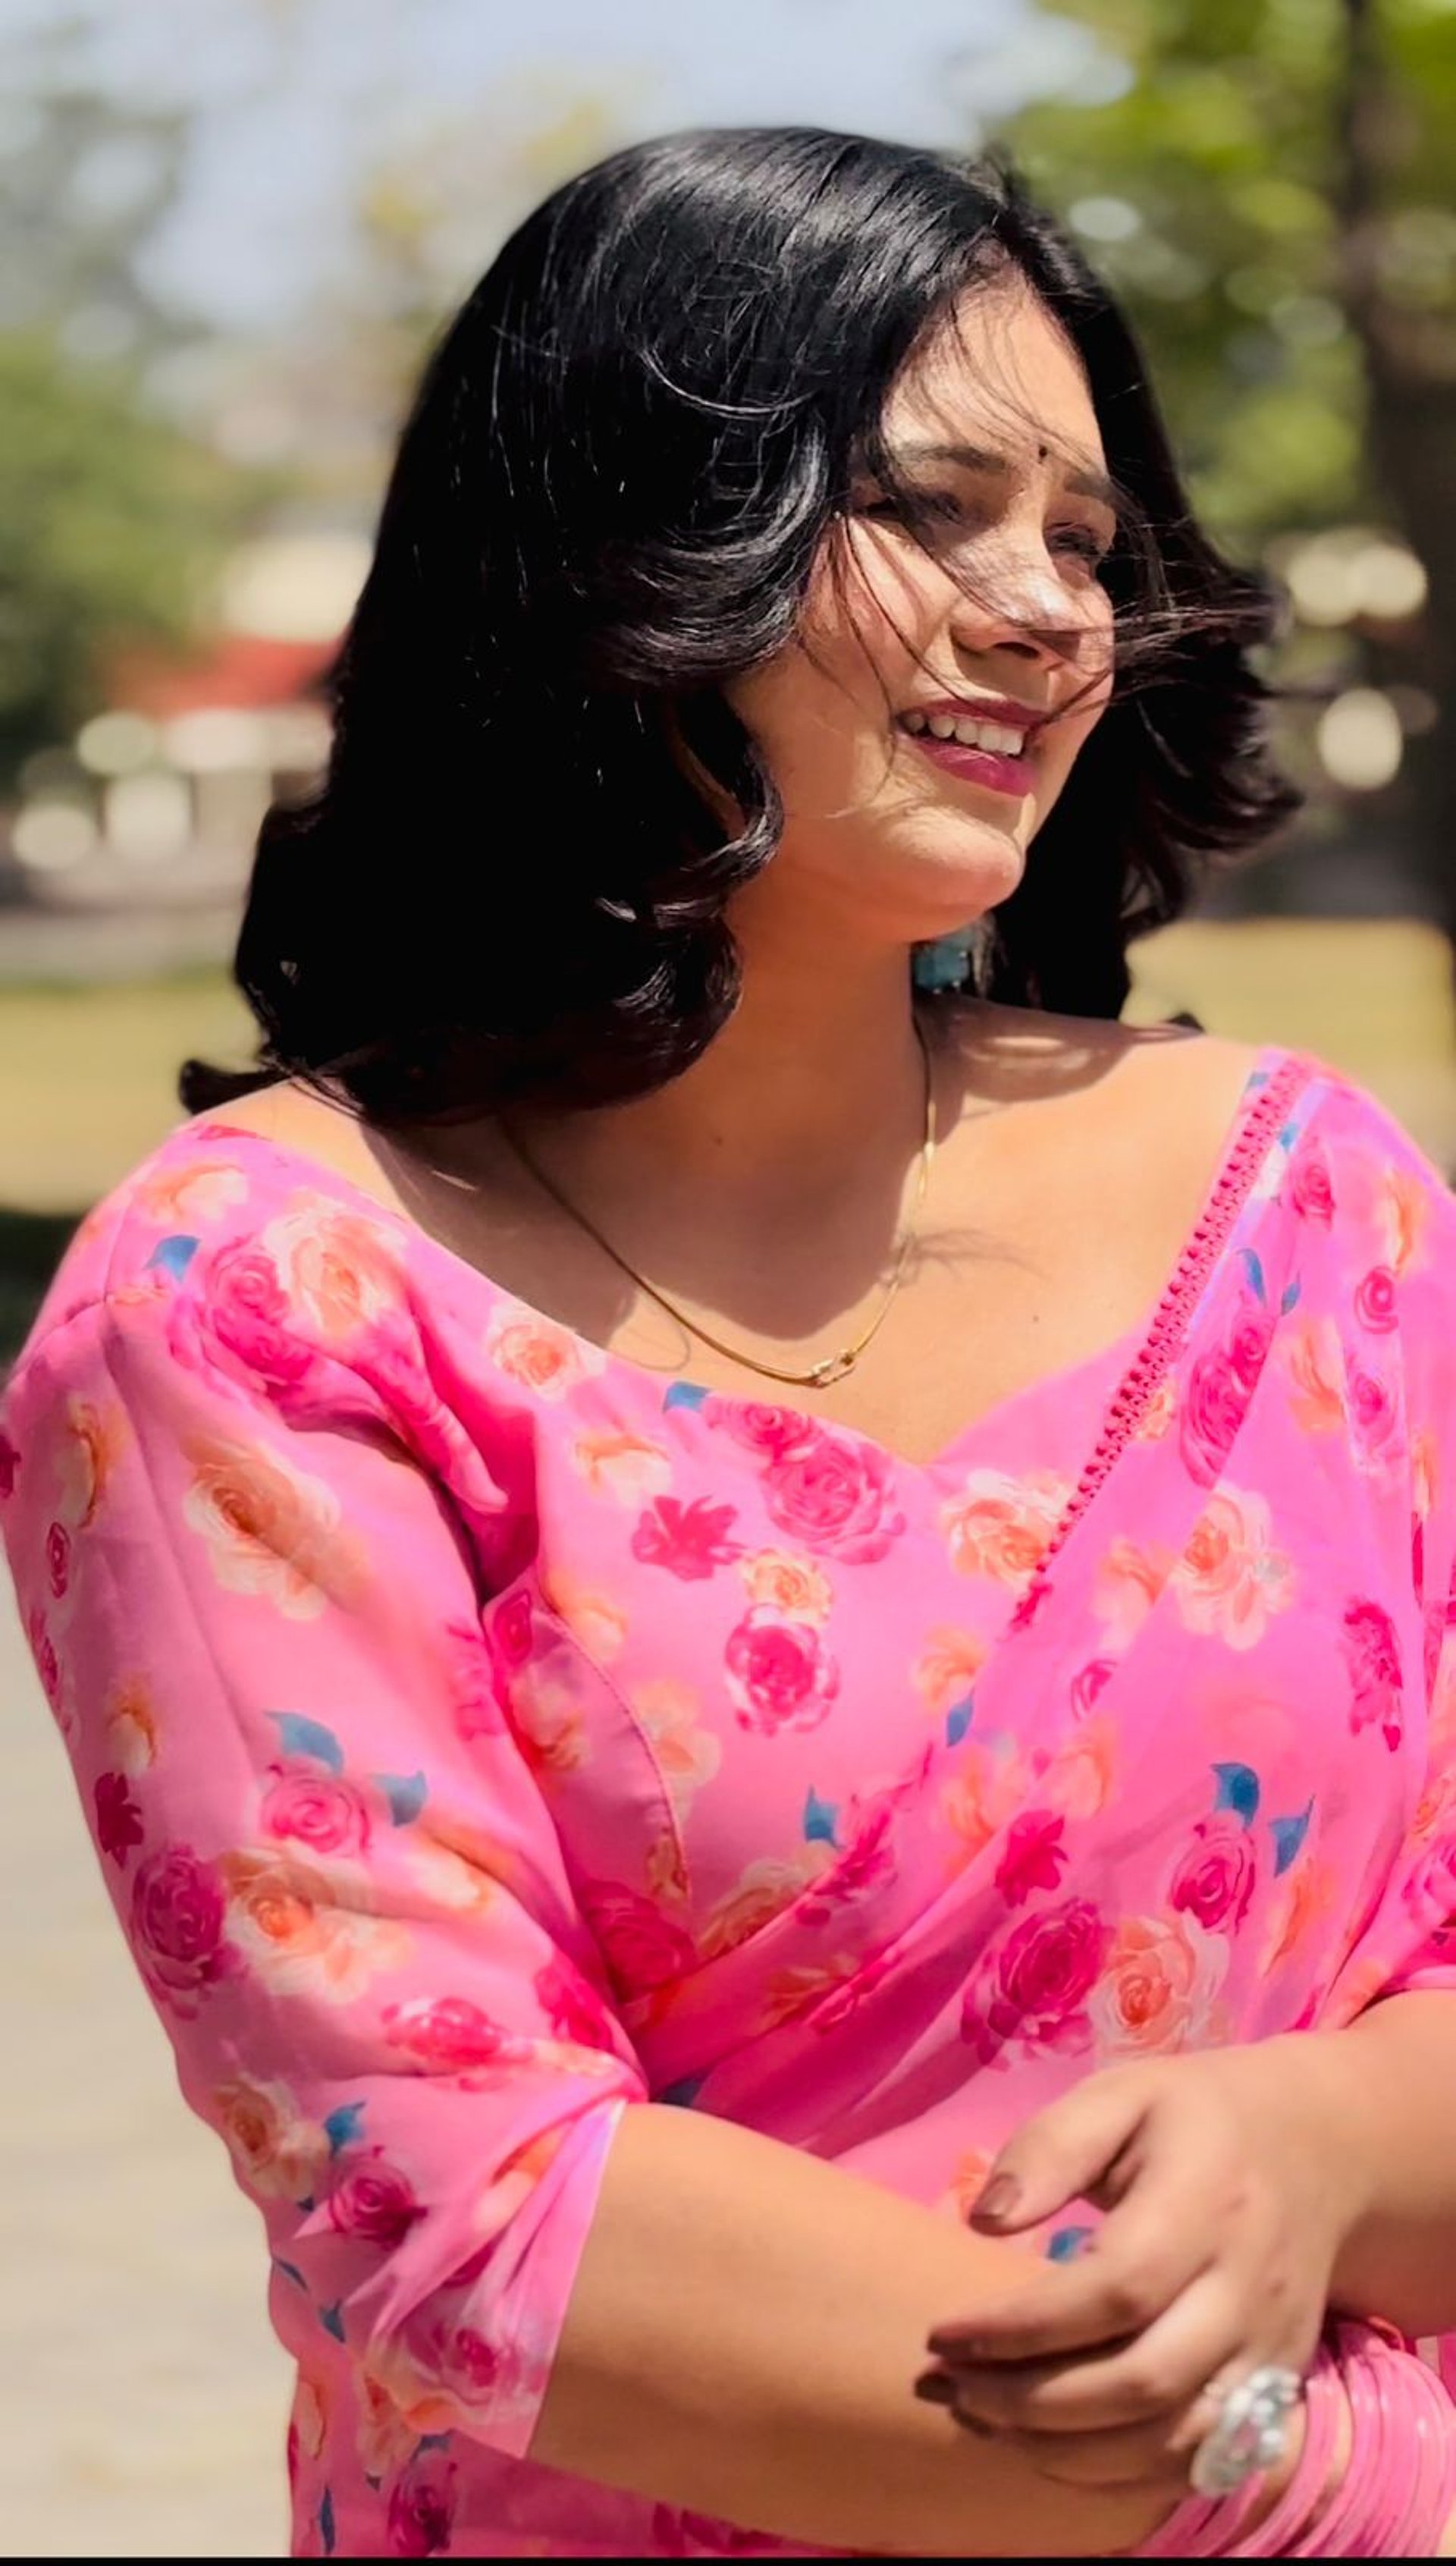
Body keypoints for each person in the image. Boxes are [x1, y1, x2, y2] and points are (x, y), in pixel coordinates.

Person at [2, 126, 1454, 2562]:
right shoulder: (261, 1304)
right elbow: (466, 2211)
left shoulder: (1304, 1209)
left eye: (1087, 542)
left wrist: (1308, 2153)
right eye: (933, 508)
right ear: (618, 542)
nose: (1047, 612)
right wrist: (1317, 2487)